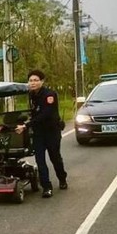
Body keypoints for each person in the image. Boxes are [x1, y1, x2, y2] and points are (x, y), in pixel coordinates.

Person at [15, 69, 67, 198]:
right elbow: (33, 113)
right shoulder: (31, 95)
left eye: (36, 80)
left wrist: (26, 125)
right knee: (40, 160)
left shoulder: (50, 95)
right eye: (31, 80)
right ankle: (46, 187)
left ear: (42, 81)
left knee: (55, 158)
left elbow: (45, 114)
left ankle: (62, 179)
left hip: (52, 131)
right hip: (38, 133)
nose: (33, 83)